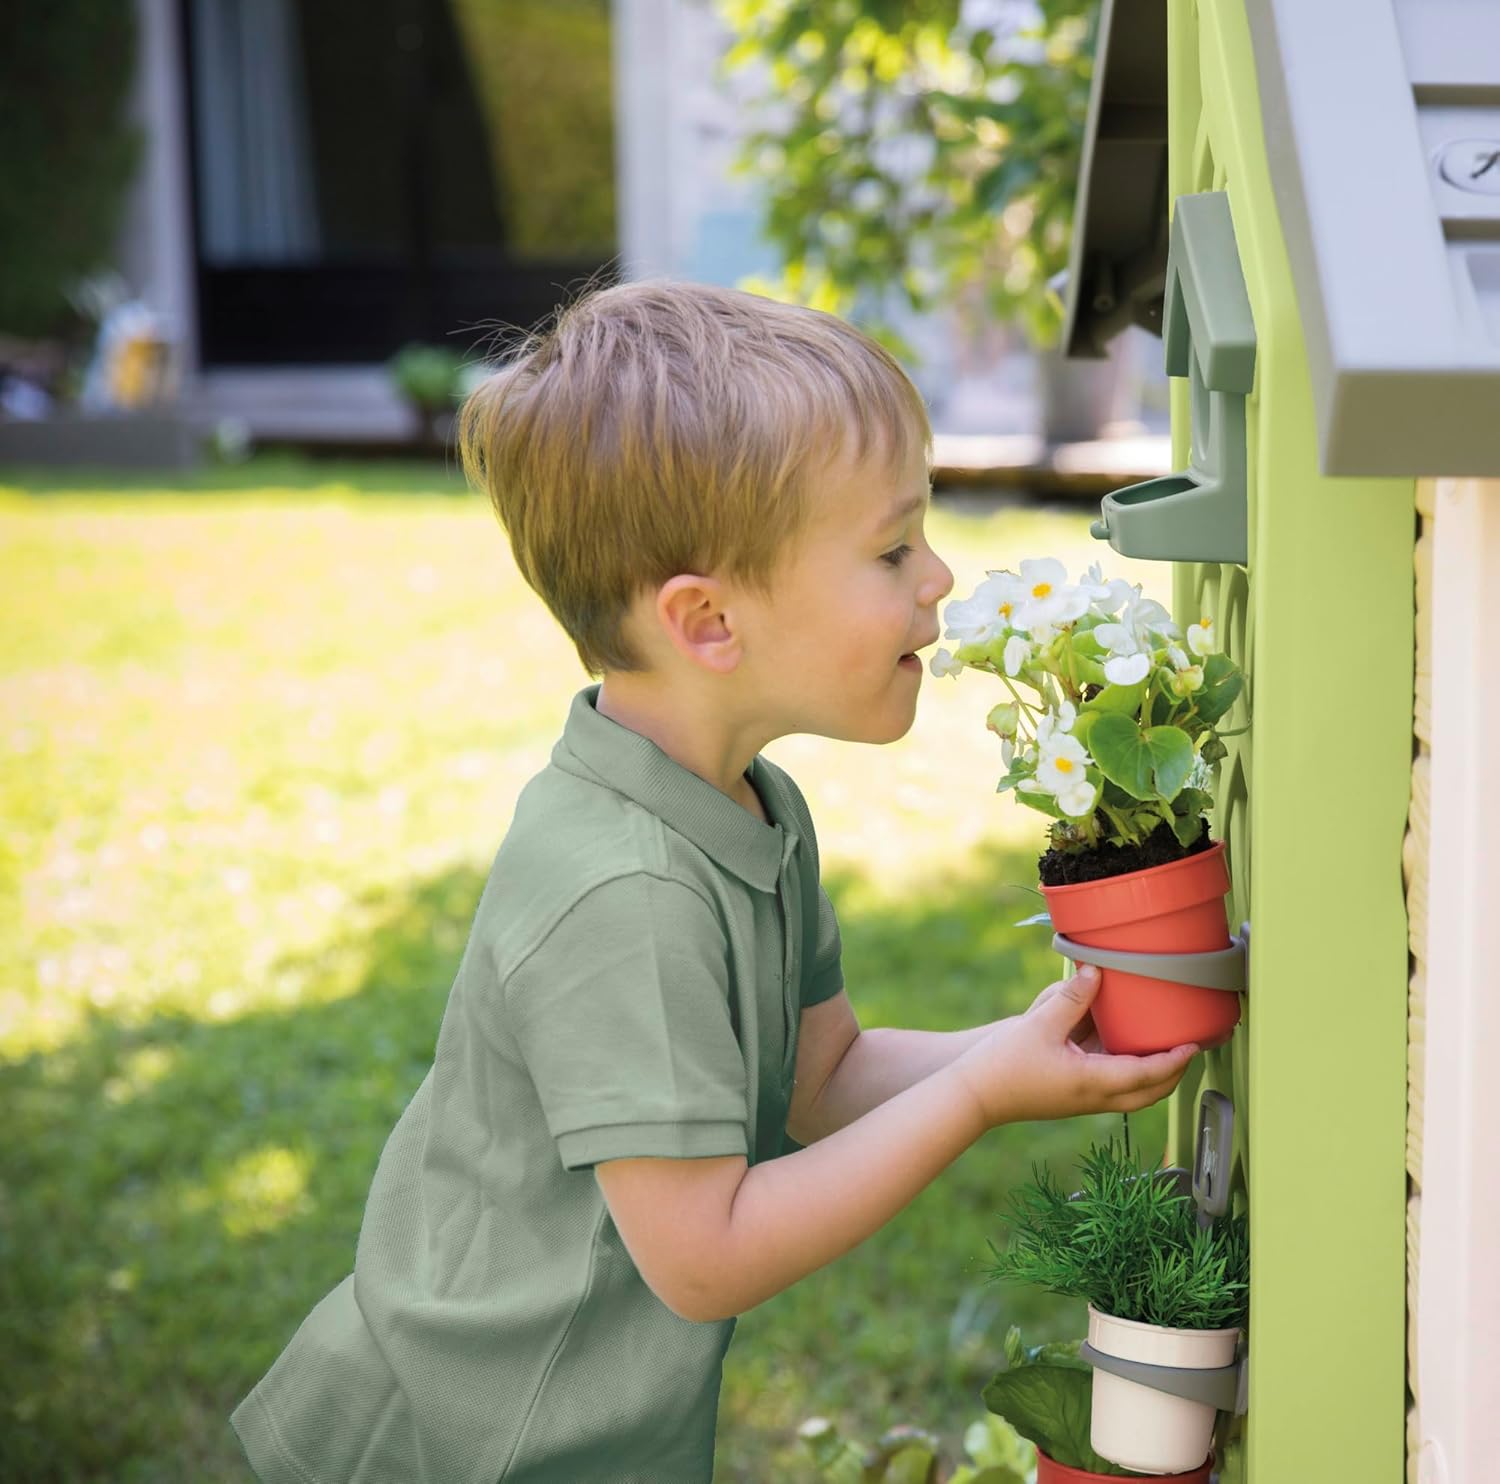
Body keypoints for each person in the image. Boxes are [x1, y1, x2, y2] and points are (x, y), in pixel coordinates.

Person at [230, 281, 1196, 1484]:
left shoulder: (749, 807)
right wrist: (978, 1097)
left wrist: (1028, 1043)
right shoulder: (623, 890)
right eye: (892, 547)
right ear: (709, 622)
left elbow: (822, 1078)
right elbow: (705, 1255)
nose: (939, 577)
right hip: (459, 1443)